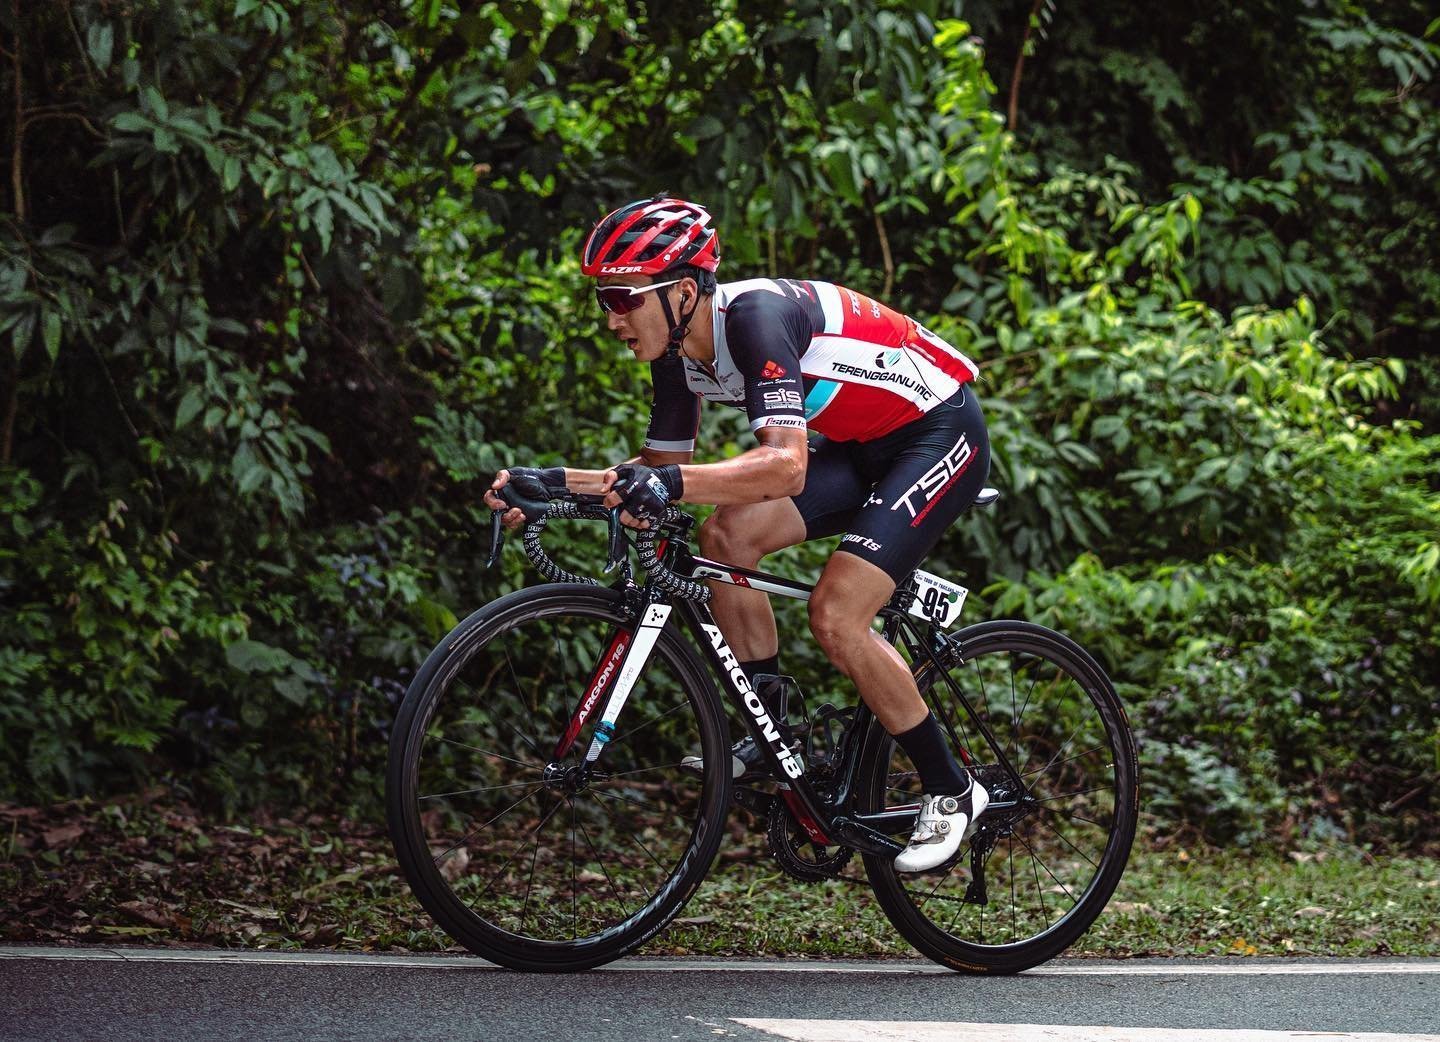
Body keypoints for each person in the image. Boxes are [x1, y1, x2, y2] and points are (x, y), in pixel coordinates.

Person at [485, 195, 991, 873]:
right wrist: (548, 484)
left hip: (937, 433)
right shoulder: (672, 347)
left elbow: (783, 466)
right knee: (726, 537)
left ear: (683, 292)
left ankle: (954, 789)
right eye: (603, 299)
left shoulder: (756, 319)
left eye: (622, 298)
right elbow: (662, 469)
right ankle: (776, 726)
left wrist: (668, 488)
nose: (610, 319)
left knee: (837, 614)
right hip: (860, 447)